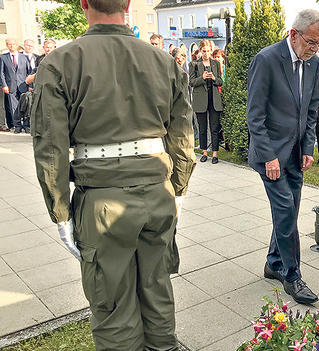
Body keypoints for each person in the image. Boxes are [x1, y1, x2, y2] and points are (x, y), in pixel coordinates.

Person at [31, 0, 197, 349]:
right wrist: (178, 190)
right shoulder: (164, 61)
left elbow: (50, 147)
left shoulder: (60, 63)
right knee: (157, 293)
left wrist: (60, 212)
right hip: (158, 192)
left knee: (112, 306)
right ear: (128, 4)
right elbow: (182, 137)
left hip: (103, 200)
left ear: (84, 4)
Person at [246, 9, 319, 304]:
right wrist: (268, 156)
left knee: (289, 211)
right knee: (284, 210)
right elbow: (255, 115)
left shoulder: (314, 62)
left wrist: (308, 149)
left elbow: (312, 108)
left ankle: (273, 263)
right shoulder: (266, 60)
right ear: (294, 34)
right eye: (311, 42)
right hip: (271, 154)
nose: (315, 49)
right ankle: (292, 276)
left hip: (295, 153)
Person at [190, 39, 223, 164]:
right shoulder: (194, 64)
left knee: (214, 128)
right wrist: (202, 78)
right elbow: (191, 82)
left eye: (208, 51)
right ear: (200, 51)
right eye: (204, 51)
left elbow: (220, 81)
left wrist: (214, 78)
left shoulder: (215, 63)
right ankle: (204, 152)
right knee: (202, 128)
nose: (206, 53)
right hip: (200, 99)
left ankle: (215, 153)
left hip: (213, 99)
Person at [1, 38, 32, 133]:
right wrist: (4, 85)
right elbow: (1, 73)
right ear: (7, 46)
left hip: (23, 85)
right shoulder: (3, 57)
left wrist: (30, 84)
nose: (11, 46)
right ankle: (17, 126)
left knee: (26, 105)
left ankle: (27, 126)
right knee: (13, 107)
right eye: (9, 44)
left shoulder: (24, 57)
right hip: (11, 85)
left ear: (17, 45)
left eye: (13, 44)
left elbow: (30, 72)